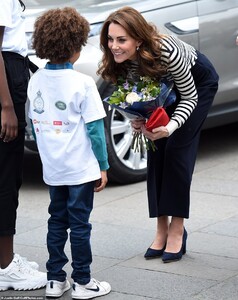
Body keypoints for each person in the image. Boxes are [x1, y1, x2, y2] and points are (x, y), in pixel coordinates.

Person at [97, 6, 219, 263]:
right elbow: (135, 99)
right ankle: (160, 227)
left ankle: (177, 228)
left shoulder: (167, 51)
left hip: (195, 86)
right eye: (110, 39)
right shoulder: (118, 59)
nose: (114, 46)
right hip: (162, 88)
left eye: (121, 40)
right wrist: (139, 121)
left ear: (138, 40)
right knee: (156, 151)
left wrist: (171, 126)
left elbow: (189, 96)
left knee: (177, 150)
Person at [27, 7, 111, 299]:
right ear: (76, 45)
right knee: (79, 224)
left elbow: (34, 123)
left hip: (53, 168)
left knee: (56, 220)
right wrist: (102, 166)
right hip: (80, 169)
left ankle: (54, 279)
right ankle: (83, 282)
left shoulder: (35, 80)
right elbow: (96, 132)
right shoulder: (83, 83)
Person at [0, 0, 47, 291]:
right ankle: (5, 266)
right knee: (6, 177)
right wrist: (6, 106)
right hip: (6, 79)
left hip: (9, 73)